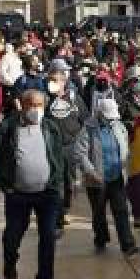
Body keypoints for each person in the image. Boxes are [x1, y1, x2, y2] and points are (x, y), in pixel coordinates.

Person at [0, 89, 65, 279]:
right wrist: (6, 186)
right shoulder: (8, 127)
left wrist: (58, 184)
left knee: (48, 236)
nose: (36, 109)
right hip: (18, 194)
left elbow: (59, 158)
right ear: (21, 105)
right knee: (13, 234)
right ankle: (10, 262)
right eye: (31, 104)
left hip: (47, 193)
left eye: (40, 105)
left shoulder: (50, 127)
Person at [75, 97, 137, 254]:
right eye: (108, 117)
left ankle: (128, 244)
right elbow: (80, 153)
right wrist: (90, 172)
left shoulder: (119, 126)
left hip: (116, 177)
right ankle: (101, 238)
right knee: (98, 213)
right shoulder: (88, 129)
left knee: (121, 210)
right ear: (99, 114)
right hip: (97, 180)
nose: (111, 120)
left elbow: (126, 147)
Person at [46, 69, 87, 228]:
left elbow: (84, 120)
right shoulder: (45, 100)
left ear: (64, 82)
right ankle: (57, 214)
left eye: (56, 80)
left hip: (71, 145)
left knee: (69, 182)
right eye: (50, 79)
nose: (52, 83)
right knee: (55, 181)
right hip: (52, 146)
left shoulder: (75, 99)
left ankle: (66, 208)